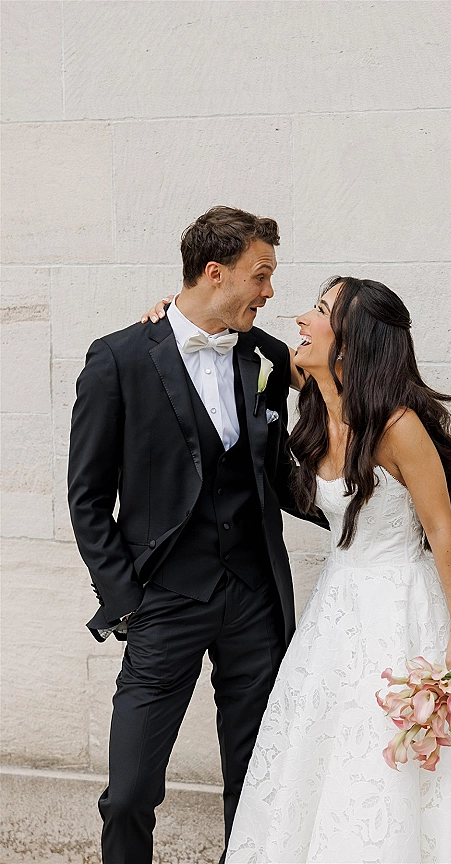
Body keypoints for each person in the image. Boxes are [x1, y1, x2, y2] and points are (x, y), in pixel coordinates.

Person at [147, 276, 451, 862]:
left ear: (349, 342)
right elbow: (239, 338)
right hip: (337, 608)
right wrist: (174, 317)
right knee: (326, 751)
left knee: (405, 757)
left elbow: (440, 528)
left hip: (402, 603)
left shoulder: (397, 426)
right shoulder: (312, 393)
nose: (300, 317)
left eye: (320, 310)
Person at [67, 206, 328, 864]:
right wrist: (124, 597)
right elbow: (88, 496)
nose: (270, 292)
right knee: (128, 793)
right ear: (216, 273)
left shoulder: (266, 355)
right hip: (165, 600)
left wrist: (361, 508)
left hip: (253, 599)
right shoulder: (119, 358)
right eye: (260, 275)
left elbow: (282, 468)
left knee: (255, 781)